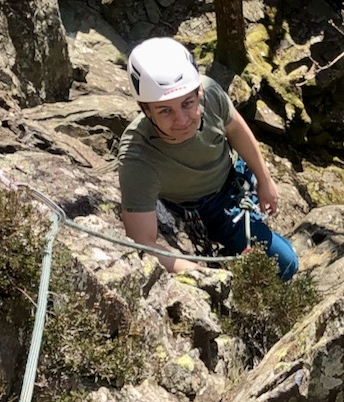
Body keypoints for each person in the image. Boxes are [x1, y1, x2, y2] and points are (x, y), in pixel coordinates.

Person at [117, 37, 298, 280]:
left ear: (198, 91)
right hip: (190, 208)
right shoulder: (137, 158)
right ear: (144, 109)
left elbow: (235, 128)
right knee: (284, 265)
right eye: (165, 110)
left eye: (187, 103)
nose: (181, 120)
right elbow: (143, 242)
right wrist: (196, 273)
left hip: (230, 184)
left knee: (286, 264)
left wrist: (265, 179)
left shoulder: (211, 93)